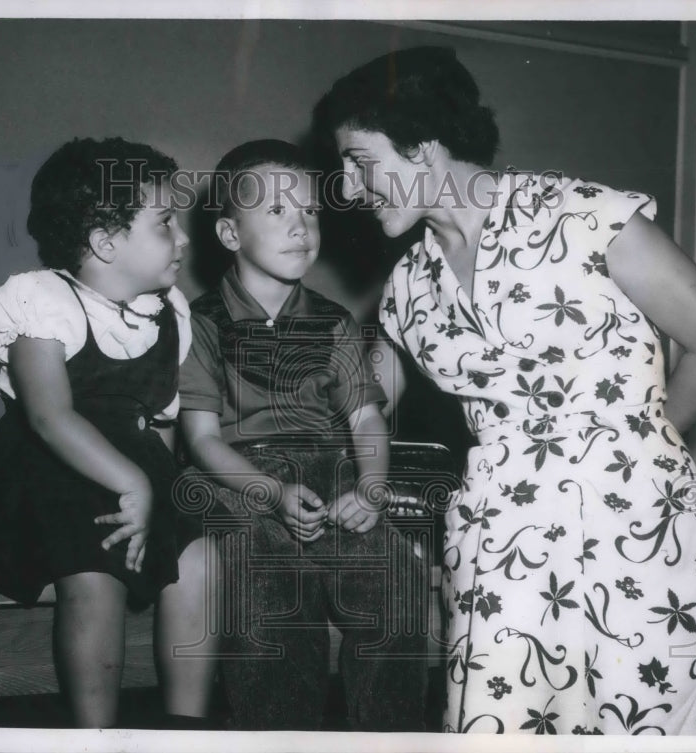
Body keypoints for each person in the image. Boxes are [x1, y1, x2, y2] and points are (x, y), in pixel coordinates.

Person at [313, 46, 696, 735]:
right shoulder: (409, 286)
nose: (348, 186)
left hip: (635, 524)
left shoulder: (582, 215)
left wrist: (640, 449)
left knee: (653, 719)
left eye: (360, 162)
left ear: (423, 145)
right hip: (499, 539)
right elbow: (366, 397)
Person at [0, 137, 217, 729]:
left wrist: (160, 497)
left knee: (199, 559)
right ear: (105, 243)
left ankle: (186, 727)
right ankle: (95, 734)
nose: (183, 239)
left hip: (136, 468)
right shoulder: (41, 300)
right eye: (165, 223)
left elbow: (161, 423)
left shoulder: (170, 311)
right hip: (50, 473)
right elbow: (50, 417)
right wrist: (133, 484)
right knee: (94, 573)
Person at [177, 139, 429, 731]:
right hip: (238, 478)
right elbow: (203, 442)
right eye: (276, 211)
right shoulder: (201, 322)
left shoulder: (332, 321)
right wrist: (270, 493)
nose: (301, 226)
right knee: (269, 587)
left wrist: (370, 487)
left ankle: (391, 738)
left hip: (328, 469)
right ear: (230, 234)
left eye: (310, 211)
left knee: (397, 577)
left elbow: (365, 418)